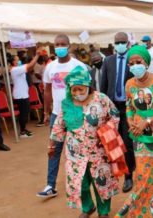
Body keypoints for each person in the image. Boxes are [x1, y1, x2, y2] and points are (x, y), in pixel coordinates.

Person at [49, 66, 119, 218]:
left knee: (101, 182)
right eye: (74, 90)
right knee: (80, 183)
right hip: (76, 154)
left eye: (80, 89)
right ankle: (88, 207)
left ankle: (104, 211)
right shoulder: (67, 103)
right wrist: (52, 145)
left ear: (88, 86)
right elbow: (59, 125)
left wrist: (107, 133)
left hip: (99, 151)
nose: (77, 93)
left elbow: (115, 116)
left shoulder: (101, 99)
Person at [115, 45, 153, 218]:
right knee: (142, 172)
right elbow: (129, 106)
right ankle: (148, 203)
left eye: (138, 62)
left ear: (146, 63)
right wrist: (130, 120)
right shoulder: (129, 84)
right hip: (138, 134)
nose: (135, 66)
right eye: (131, 63)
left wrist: (147, 121)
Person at [37, 34, 87, 198]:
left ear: (69, 45)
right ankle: (50, 185)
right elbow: (47, 91)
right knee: (53, 150)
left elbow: (88, 91)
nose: (59, 47)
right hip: (56, 115)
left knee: (78, 151)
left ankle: (80, 185)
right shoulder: (50, 68)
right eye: (56, 44)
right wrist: (45, 112)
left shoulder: (79, 66)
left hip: (75, 115)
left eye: (62, 44)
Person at [100, 32, 135, 193]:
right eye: (117, 42)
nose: (120, 44)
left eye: (123, 42)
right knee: (113, 142)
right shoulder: (108, 61)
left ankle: (128, 176)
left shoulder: (133, 60)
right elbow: (103, 86)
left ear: (128, 43)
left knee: (127, 142)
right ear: (114, 44)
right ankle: (116, 172)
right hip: (112, 109)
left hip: (128, 108)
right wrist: (104, 108)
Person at [9, 50, 41, 138]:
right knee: (24, 113)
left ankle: (23, 129)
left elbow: (30, 67)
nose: (19, 61)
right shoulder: (15, 69)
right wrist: (37, 55)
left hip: (23, 94)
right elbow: (30, 65)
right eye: (17, 59)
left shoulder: (18, 68)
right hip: (21, 95)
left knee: (25, 113)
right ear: (13, 62)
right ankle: (22, 132)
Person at [31, 49, 48, 127]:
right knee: (42, 102)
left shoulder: (45, 64)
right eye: (43, 56)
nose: (45, 57)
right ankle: (42, 119)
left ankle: (45, 118)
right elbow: (36, 74)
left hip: (43, 85)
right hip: (37, 84)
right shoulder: (37, 65)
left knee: (45, 102)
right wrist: (44, 78)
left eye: (45, 56)